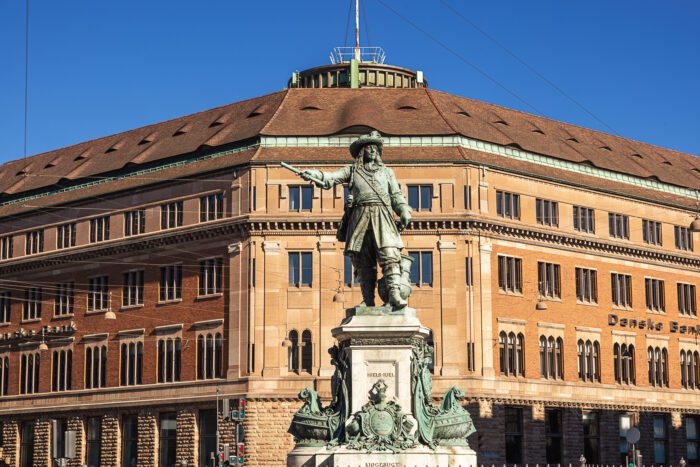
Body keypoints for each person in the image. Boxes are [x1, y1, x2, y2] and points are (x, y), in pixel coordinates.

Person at [300, 131, 411, 308]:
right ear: (361, 151)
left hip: (382, 215)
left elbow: (396, 195)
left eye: (375, 148)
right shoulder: (352, 171)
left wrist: (404, 210)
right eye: (369, 147)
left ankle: (394, 294)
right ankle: (368, 300)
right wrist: (314, 174)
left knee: (390, 255)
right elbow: (331, 178)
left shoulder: (387, 172)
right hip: (360, 218)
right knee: (363, 262)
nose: (372, 151)